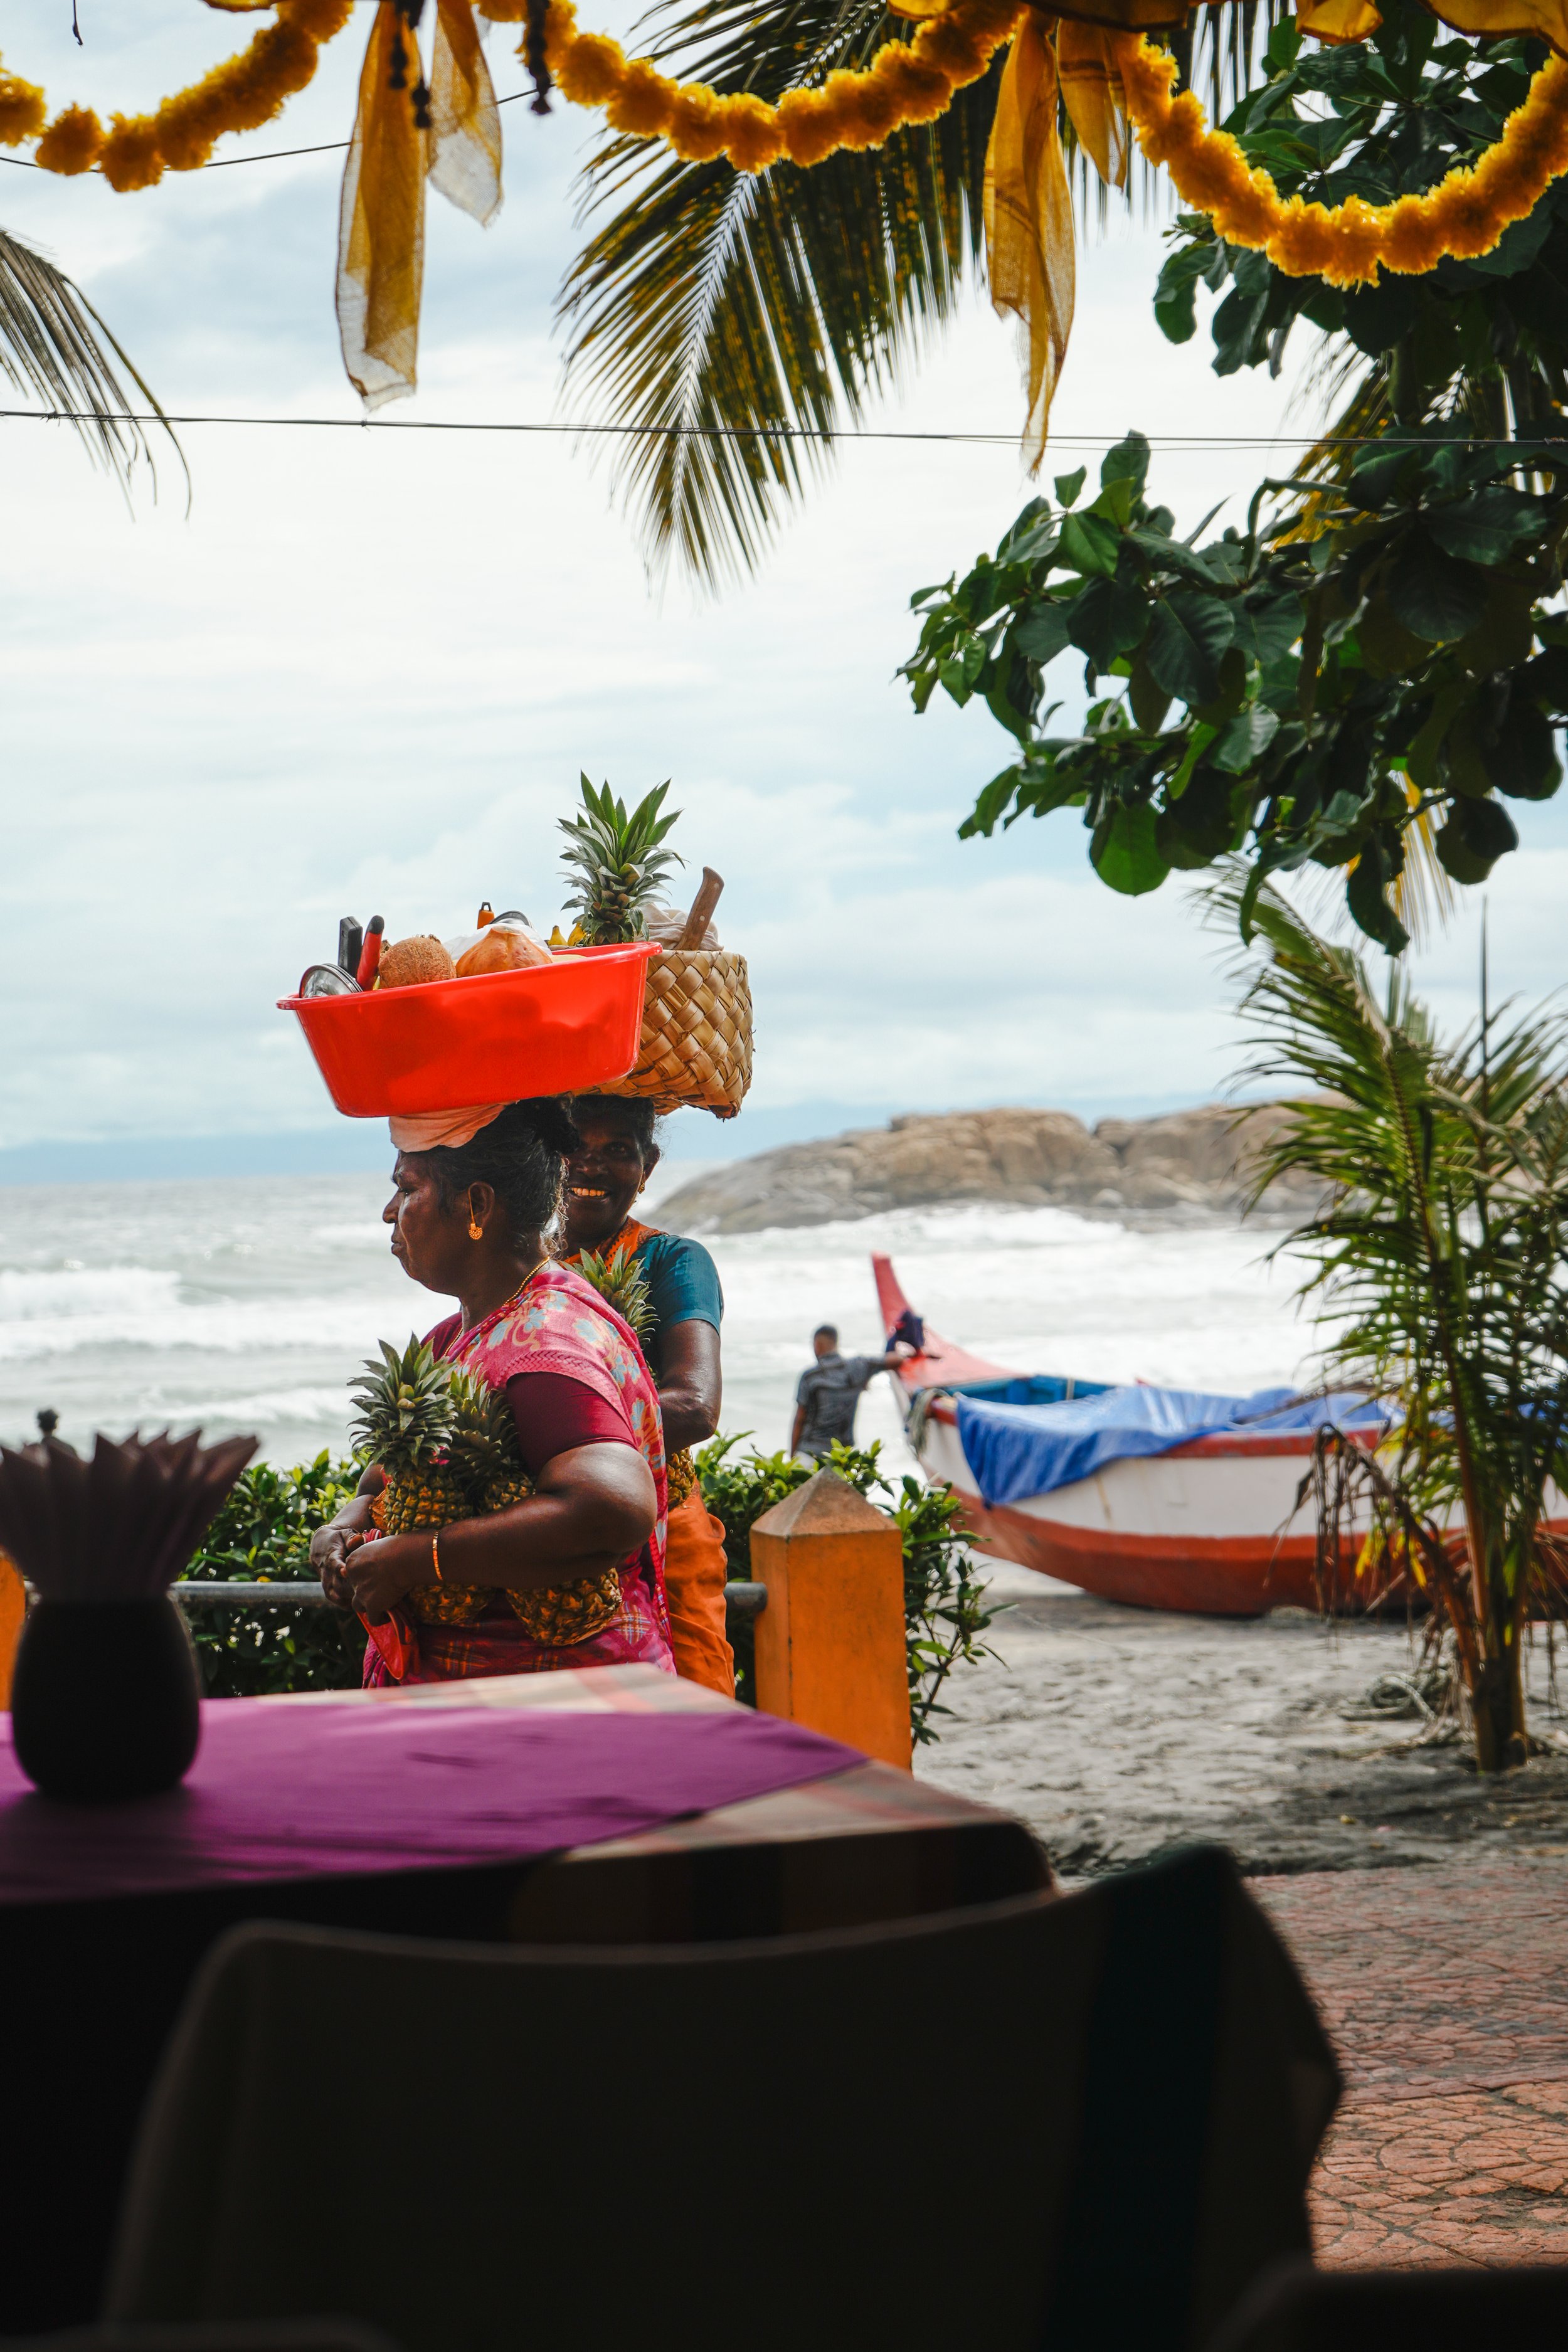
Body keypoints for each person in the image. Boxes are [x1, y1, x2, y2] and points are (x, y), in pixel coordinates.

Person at [310, 1097, 673, 1685]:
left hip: (550, 1714)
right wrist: (347, 1524)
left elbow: (611, 1507)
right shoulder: (457, 1334)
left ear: (477, 1205)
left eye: (407, 1188)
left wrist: (418, 1557)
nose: (388, 1212)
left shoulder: (543, 1337)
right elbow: (388, 1480)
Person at [558, 1093, 734, 1697]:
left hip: (663, 1524)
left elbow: (695, 1405)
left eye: (617, 1151)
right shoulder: (517, 1271)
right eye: (575, 1147)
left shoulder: (672, 1261)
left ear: (649, 1165)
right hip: (553, 1525)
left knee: (694, 1705)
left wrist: (548, 1440)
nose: (592, 1166)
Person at [791, 1324, 909, 1461]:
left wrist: (792, 1456)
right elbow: (897, 1360)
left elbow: (799, 1419)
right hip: (842, 1457)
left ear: (817, 1344)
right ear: (835, 1343)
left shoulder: (810, 1376)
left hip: (809, 1454)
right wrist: (866, 1377)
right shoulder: (858, 1367)